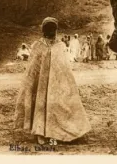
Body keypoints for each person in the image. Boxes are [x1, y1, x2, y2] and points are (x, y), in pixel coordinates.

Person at [14, 17, 91, 145]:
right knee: (40, 105)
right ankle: (40, 132)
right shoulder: (37, 46)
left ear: (56, 30)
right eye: (48, 28)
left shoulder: (60, 46)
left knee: (59, 105)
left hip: (56, 85)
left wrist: (67, 85)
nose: (51, 31)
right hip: (41, 86)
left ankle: (57, 132)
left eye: (53, 28)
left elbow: (65, 69)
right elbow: (32, 70)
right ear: (43, 30)